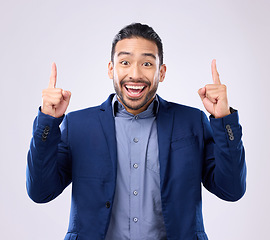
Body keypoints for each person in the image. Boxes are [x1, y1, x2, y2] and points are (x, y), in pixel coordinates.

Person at [26, 23, 246, 240]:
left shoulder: (191, 121)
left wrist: (223, 118)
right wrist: (48, 122)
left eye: (147, 64)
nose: (135, 73)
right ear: (111, 69)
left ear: (162, 72)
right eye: (125, 62)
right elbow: (40, 192)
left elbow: (231, 190)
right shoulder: (79, 125)